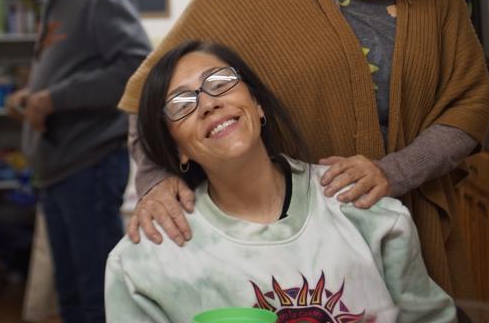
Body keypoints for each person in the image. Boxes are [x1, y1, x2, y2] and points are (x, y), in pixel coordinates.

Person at [119, 0, 489, 296]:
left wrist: (396, 172)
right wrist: (157, 180)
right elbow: (150, 91)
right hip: (293, 242)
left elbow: (469, 104)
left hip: (410, 223)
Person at [105, 41, 456, 322]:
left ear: (257, 104)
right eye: (181, 102)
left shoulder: (365, 209)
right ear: (177, 149)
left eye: (219, 82)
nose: (208, 103)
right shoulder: (143, 265)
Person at [5, 0, 151, 323]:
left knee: (96, 298)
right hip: (60, 169)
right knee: (70, 297)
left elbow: (136, 67)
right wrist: (31, 95)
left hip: (86, 167)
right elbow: (75, 67)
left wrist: (54, 98)